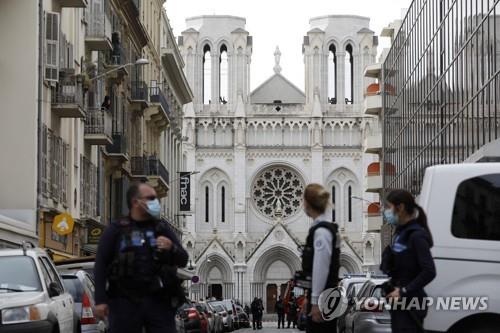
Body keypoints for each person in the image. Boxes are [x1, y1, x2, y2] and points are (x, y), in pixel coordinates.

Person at [94, 182, 189, 333]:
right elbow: (100, 264)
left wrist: (172, 248)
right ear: (135, 202)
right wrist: (100, 300)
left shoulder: (161, 228)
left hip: (158, 300)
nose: (155, 202)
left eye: (155, 198)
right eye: (150, 198)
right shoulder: (117, 229)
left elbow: (183, 259)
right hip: (124, 301)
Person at [380, 189, 436, 333]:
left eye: (388, 207)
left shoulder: (416, 235)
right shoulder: (401, 233)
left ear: (401, 208)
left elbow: (429, 270)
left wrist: (404, 291)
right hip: (400, 305)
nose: (386, 211)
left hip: (411, 305)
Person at [301, 184, 340, 333]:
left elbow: (320, 268)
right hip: (326, 296)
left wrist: (316, 301)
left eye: (303, 200)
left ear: (308, 203)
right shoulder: (326, 228)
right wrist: (308, 297)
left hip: (324, 298)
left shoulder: (322, 232)